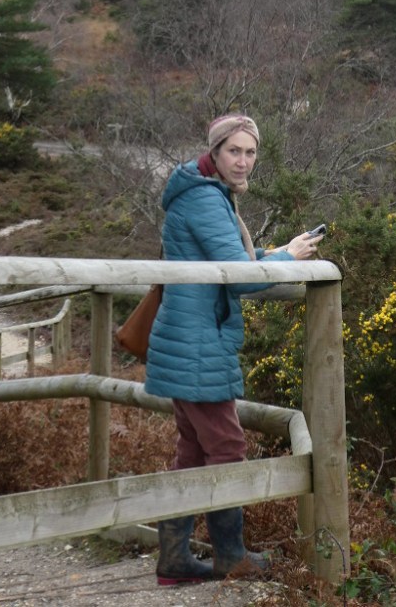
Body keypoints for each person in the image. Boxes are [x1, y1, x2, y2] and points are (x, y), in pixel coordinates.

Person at [145, 113, 323, 586]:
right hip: (197, 341)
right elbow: (240, 277)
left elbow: (229, 259)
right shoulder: (205, 198)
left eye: (250, 152)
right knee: (226, 446)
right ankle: (230, 556)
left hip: (190, 336)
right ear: (216, 152)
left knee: (191, 450)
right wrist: (284, 261)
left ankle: (175, 560)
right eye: (234, 151)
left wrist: (277, 252)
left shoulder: (206, 191)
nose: (243, 162)